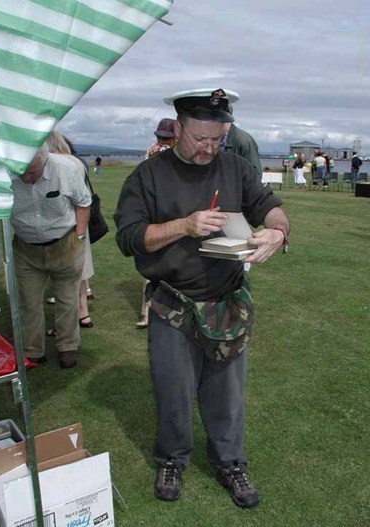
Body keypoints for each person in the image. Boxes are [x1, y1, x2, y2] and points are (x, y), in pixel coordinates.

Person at [114, 88, 290, 509]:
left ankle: (230, 463)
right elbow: (129, 238)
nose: (209, 149)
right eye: (199, 140)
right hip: (172, 302)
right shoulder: (148, 176)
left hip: (226, 299)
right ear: (177, 128)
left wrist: (278, 232)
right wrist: (184, 226)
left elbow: (271, 206)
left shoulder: (235, 168)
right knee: (173, 390)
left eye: (217, 140)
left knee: (226, 393)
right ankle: (172, 459)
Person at [11, 144, 91, 368]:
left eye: (33, 172)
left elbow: (84, 203)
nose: (26, 177)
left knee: (67, 301)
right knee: (29, 302)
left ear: (44, 161)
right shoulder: (7, 171)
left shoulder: (65, 168)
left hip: (64, 244)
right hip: (26, 249)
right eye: (22, 172)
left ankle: (68, 348)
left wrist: (79, 237)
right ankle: (33, 351)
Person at [45, 132, 96, 329]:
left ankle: (65, 325)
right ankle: (83, 314)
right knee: (80, 272)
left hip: (64, 224)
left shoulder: (57, 164)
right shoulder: (77, 162)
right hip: (81, 224)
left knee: (64, 278)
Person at [136, 118, 177, 329]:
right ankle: (147, 313)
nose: (162, 141)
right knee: (151, 268)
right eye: (160, 137)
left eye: (167, 138)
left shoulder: (180, 156)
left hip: (176, 220)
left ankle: (169, 313)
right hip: (154, 219)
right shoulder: (150, 154)